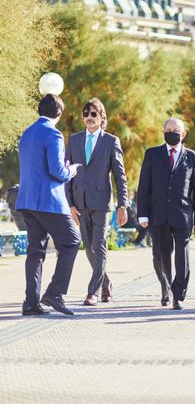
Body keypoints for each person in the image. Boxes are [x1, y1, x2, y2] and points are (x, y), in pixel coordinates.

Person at [16, 94, 81, 316]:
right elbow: (57, 171)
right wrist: (70, 171)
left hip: (26, 200)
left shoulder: (26, 133)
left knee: (35, 251)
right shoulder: (53, 134)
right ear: (60, 113)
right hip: (49, 202)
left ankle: (31, 303)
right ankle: (55, 293)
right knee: (72, 241)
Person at [65, 98, 129, 306]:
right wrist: (70, 204)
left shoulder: (111, 141)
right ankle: (106, 283)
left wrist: (123, 204)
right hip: (80, 202)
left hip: (102, 202)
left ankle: (92, 292)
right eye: (86, 114)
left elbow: (120, 175)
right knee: (89, 248)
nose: (89, 118)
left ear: (102, 117)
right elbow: (68, 173)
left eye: (94, 114)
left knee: (99, 245)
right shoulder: (73, 140)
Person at [137, 118, 195, 310]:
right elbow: (143, 187)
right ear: (163, 131)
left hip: (183, 215)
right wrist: (142, 214)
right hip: (157, 214)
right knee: (160, 255)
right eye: (169, 129)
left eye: (176, 130)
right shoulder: (152, 154)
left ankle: (178, 295)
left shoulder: (193, 158)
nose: (172, 132)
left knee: (182, 257)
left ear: (183, 134)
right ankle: (165, 288)